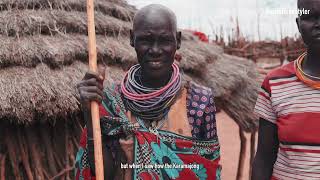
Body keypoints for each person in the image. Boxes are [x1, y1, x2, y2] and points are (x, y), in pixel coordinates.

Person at [75, 4, 221, 180]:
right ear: (132, 39)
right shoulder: (112, 101)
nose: (155, 50)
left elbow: (209, 172)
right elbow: (103, 174)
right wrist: (90, 115)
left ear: (178, 41)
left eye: (165, 40)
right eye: (146, 40)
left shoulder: (199, 101)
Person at [252, 0, 320, 179]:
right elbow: (264, 159)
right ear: (298, 24)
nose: (318, 24)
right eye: (309, 17)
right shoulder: (275, 83)